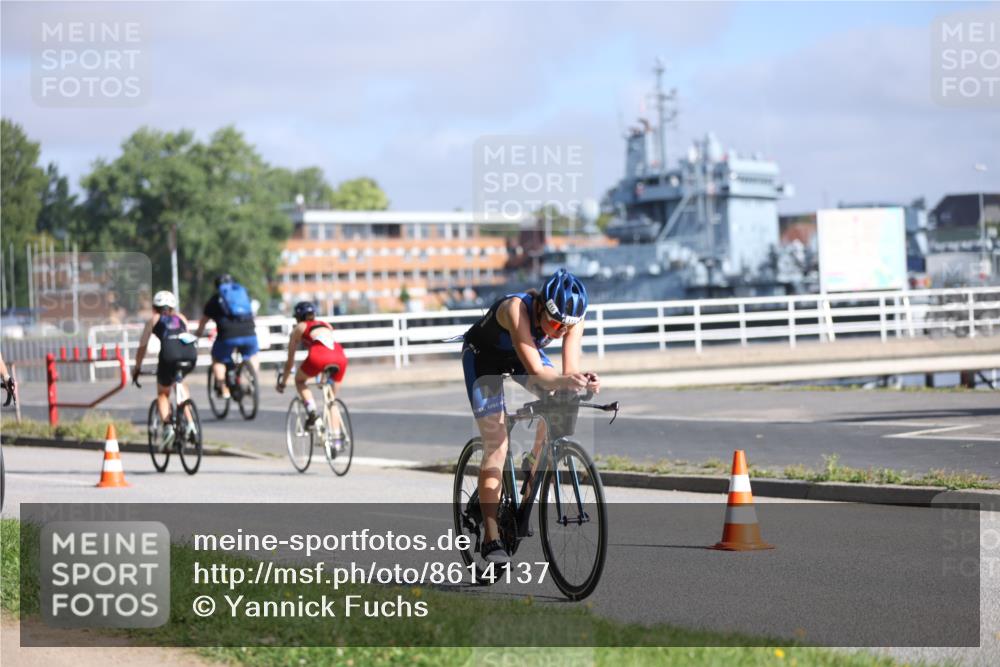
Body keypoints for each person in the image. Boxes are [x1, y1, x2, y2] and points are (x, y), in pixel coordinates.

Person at [461, 268, 600, 564]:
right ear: (541, 307)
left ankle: (533, 463)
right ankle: (490, 535)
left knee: (561, 397)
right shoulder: (516, 309)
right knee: (497, 446)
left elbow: (567, 372)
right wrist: (565, 381)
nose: (560, 330)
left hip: (523, 355)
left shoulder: (572, 318)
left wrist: (583, 380)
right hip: (484, 359)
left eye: (567, 327)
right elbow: (538, 372)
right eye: (555, 323)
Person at [276, 301, 349, 446]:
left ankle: (313, 413)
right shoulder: (326, 325)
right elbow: (327, 347)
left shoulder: (299, 327)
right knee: (331, 399)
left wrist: (283, 382)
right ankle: (336, 440)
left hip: (318, 357)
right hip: (340, 357)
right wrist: (323, 377)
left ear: (297, 317)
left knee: (299, 381)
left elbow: (290, 362)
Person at [133, 291, 199, 449]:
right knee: (180, 383)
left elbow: (142, 347)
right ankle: (191, 424)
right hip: (189, 354)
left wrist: (137, 368)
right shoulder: (181, 317)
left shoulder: (154, 319)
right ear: (172, 307)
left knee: (163, 393)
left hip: (169, 353)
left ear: (155, 308)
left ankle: (168, 427)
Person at [194, 274, 259, 399]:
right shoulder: (243, 296)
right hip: (249, 332)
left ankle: (224, 389)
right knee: (252, 355)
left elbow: (203, 321)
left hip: (227, 335)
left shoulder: (215, 300)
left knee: (217, 359)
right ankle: (252, 379)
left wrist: (198, 334)